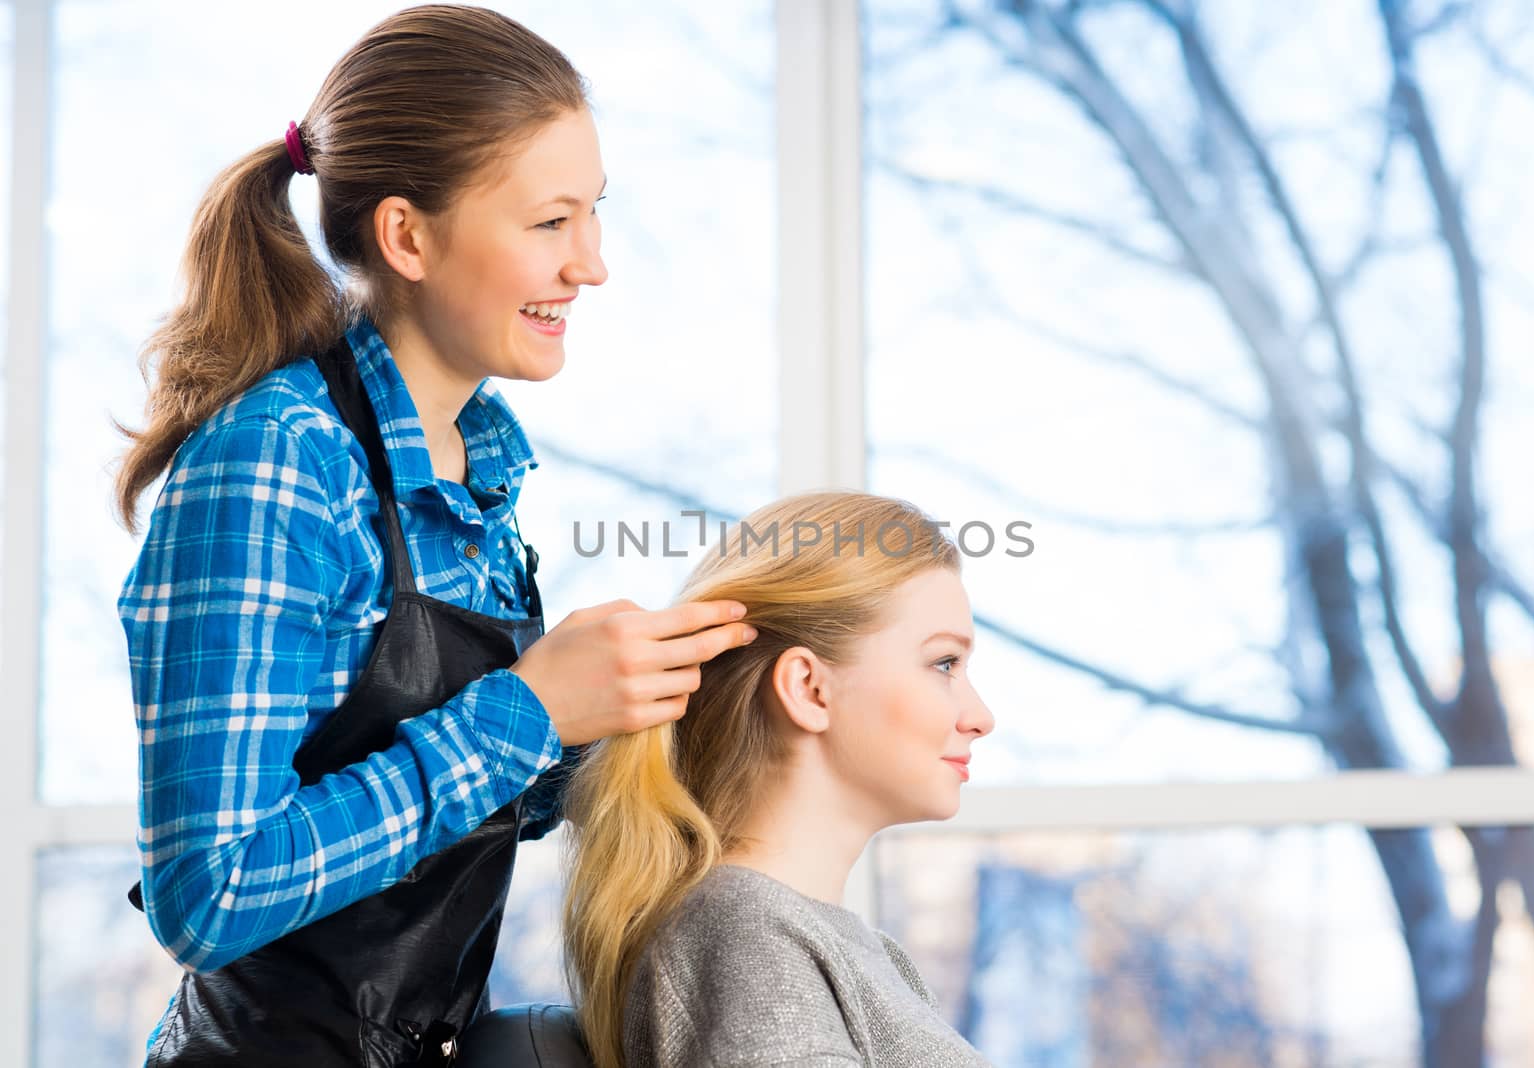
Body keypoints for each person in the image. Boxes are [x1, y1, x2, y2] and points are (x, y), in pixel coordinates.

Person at [113, 6, 756, 1066]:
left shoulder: (476, 463)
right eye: (550, 223)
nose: (590, 265)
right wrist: (530, 708)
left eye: (594, 214)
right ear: (408, 235)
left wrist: (613, 713)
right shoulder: (279, 461)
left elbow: (473, 807)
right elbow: (209, 893)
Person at [558, 491, 999, 1067]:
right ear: (808, 689)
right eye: (944, 664)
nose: (981, 717)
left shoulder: (843, 947)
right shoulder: (746, 933)